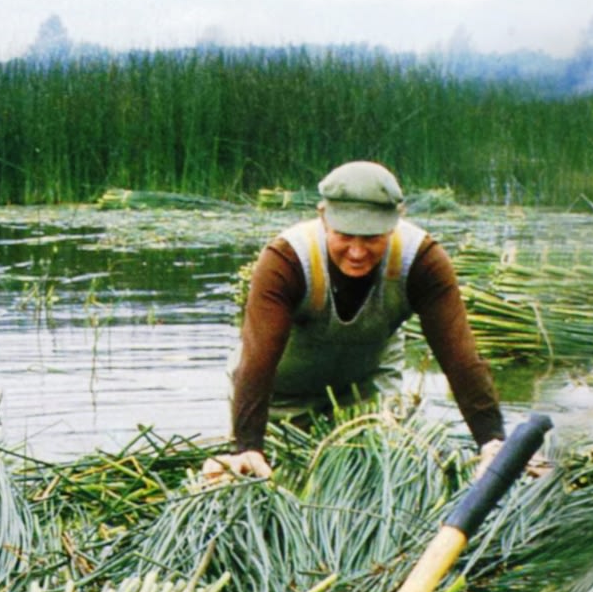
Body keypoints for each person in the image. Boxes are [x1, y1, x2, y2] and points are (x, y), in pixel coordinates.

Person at [199, 161, 504, 487]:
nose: (357, 252)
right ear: (322, 216)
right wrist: (248, 447)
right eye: (345, 235)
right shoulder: (286, 260)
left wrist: (492, 441)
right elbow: (257, 359)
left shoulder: (422, 261)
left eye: (372, 237)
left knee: (378, 482)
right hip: (281, 400)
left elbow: (460, 357)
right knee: (286, 484)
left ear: (396, 220)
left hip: (367, 395)